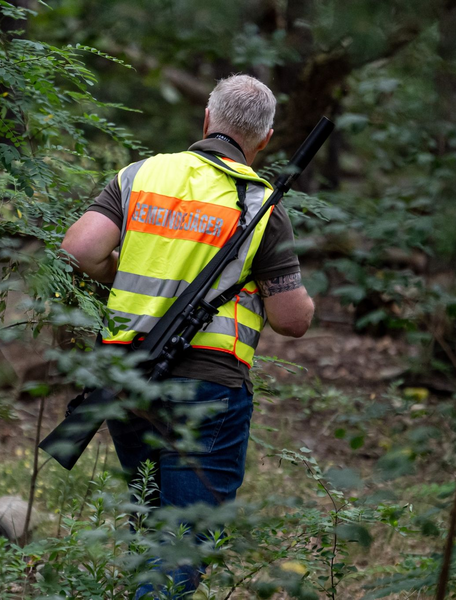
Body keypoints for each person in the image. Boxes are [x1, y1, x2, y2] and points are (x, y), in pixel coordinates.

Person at [60, 74, 314, 598]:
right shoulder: (260, 205)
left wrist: (121, 272)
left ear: (206, 119)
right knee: (182, 544)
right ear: (264, 140)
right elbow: (292, 319)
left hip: (125, 376)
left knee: (154, 526)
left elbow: (81, 250)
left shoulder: (140, 175)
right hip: (209, 387)